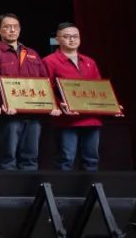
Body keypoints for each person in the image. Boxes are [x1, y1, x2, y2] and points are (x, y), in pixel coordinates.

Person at [0, 13, 54, 171]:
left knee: (31, 156)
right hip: (9, 115)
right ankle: (10, 187)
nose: (12, 30)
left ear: (20, 29)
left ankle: (29, 186)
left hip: (33, 114)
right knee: (8, 157)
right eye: (7, 27)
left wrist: (51, 104)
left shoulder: (32, 53)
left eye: (15, 27)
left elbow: (44, 81)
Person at [44, 22, 106, 171]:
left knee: (91, 160)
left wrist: (111, 105)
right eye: (66, 36)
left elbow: (99, 89)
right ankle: (63, 187)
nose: (72, 39)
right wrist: (57, 104)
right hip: (67, 120)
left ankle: (90, 187)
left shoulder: (90, 62)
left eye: (75, 36)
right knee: (66, 160)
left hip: (91, 118)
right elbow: (46, 89)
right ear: (57, 39)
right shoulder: (49, 61)